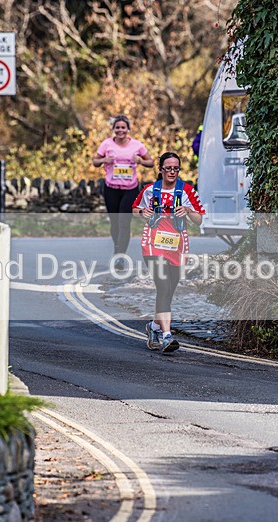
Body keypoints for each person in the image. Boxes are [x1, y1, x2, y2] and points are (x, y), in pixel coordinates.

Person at [132, 152, 205, 352]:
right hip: (153, 245)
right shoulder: (150, 190)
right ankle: (166, 335)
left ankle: (154, 326)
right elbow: (136, 209)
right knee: (163, 287)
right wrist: (142, 213)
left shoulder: (187, 191)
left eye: (176, 168)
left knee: (169, 291)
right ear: (161, 170)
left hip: (177, 247)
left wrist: (188, 212)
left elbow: (199, 219)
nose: (172, 172)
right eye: (168, 168)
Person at [92, 115, 154, 270]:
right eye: (117, 127)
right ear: (114, 129)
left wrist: (140, 161)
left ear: (128, 129)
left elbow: (151, 162)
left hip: (130, 189)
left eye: (123, 127)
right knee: (114, 224)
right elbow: (95, 161)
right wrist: (104, 160)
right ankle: (117, 247)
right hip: (111, 188)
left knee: (124, 222)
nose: (120, 130)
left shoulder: (137, 145)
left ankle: (120, 256)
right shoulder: (106, 144)